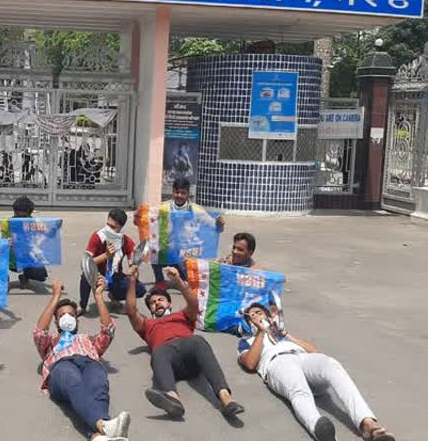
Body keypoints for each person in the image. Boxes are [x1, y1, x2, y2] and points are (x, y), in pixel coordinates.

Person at [238, 303, 395, 441]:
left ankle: (367, 423)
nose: (256, 316)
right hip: (278, 363)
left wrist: (285, 334)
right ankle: (320, 429)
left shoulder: (282, 335)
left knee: (331, 364)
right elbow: (250, 364)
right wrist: (261, 332)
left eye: (259, 312)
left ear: (267, 315)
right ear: (249, 323)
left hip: (302, 358)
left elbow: (315, 351)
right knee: (298, 390)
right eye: (252, 316)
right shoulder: (247, 341)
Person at [124, 265, 245, 420]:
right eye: (153, 303)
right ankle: (173, 399)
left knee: (198, 341)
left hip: (190, 353)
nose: (157, 303)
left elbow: (194, 304)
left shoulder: (182, 315)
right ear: (150, 309)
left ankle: (226, 399)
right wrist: (132, 281)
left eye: (161, 300)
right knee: (158, 353)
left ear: (169, 304)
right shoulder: (147, 324)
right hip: (168, 358)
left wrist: (178, 281)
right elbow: (131, 310)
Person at [33, 278, 131, 441]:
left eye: (71, 315)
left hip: (90, 362)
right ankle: (105, 424)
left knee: (98, 387)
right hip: (62, 365)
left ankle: (98, 435)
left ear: (77, 320)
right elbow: (39, 332)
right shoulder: (51, 341)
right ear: (56, 321)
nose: (67, 318)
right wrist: (56, 296)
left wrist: (98, 295)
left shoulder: (88, 339)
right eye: (62, 315)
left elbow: (108, 331)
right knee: (73, 381)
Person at [143, 178, 225, 289]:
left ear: (188, 194)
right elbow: (146, 220)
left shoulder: (197, 211)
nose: (179, 195)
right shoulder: (162, 208)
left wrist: (220, 224)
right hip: (167, 251)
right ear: (172, 192)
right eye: (177, 192)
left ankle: (185, 277)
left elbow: (215, 228)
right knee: (153, 251)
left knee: (189, 285)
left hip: (186, 253)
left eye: (183, 193)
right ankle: (159, 280)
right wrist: (139, 217)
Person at [80, 208, 146, 316]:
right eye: (107, 225)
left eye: (113, 227)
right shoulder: (97, 237)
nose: (108, 229)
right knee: (85, 276)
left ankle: (114, 297)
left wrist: (133, 270)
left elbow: (133, 266)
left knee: (140, 289)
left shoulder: (126, 241)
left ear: (120, 227)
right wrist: (106, 256)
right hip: (97, 274)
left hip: (115, 276)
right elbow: (85, 263)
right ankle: (82, 306)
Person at [11, 196, 49, 289]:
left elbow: (49, 236)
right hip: (10, 257)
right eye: (18, 216)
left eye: (24, 216)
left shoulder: (35, 223)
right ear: (14, 212)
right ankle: (3, 281)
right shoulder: (6, 224)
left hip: (28, 255)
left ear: (30, 214)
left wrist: (52, 228)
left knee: (41, 276)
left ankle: (25, 276)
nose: (20, 218)